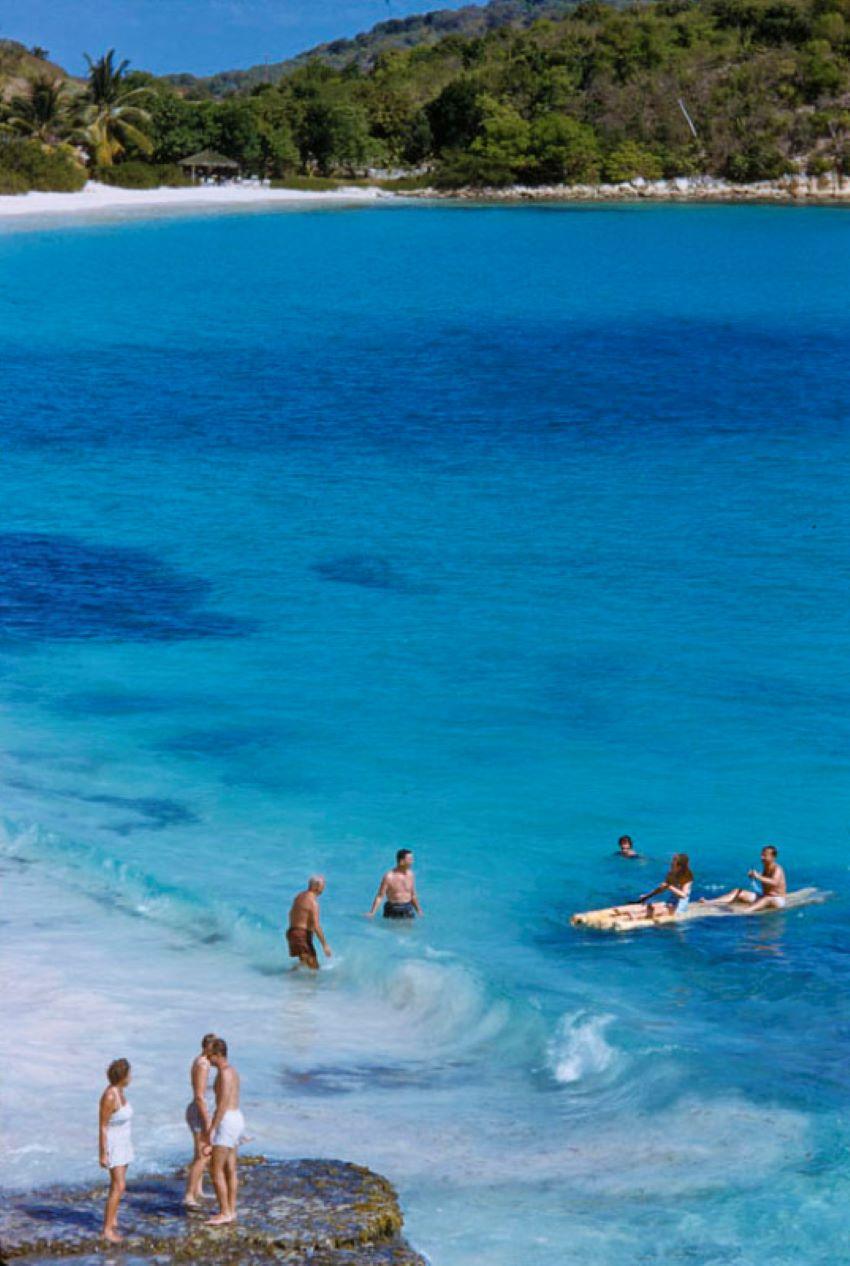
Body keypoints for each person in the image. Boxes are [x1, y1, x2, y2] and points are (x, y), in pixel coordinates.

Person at [202, 1037, 244, 1226]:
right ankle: (231, 1209)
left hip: (227, 1120)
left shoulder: (225, 1074)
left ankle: (225, 1211)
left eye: (210, 1055)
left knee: (215, 1168)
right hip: (237, 1117)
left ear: (218, 1055)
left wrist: (211, 1129)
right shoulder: (233, 1071)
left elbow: (222, 1104)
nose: (207, 1060)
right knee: (230, 1168)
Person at [99, 1058, 134, 1243]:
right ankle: (106, 1230)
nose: (131, 1077)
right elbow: (103, 1126)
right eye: (129, 1074)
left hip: (124, 1142)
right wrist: (103, 1153)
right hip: (114, 1144)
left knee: (119, 1185)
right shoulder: (110, 1096)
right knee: (118, 1186)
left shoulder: (120, 1091)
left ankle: (113, 1219)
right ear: (123, 1076)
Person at [700, 846, 787, 912]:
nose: (762, 857)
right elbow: (764, 879)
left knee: (768, 898)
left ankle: (746, 911)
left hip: (777, 900)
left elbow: (774, 882)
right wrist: (754, 875)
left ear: (773, 857)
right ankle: (712, 902)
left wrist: (758, 876)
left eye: (765, 855)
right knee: (738, 891)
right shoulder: (766, 867)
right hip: (764, 896)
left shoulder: (777, 869)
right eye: (762, 854)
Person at [184, 1033, 217, 1206]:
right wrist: (207, 1122)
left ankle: (198, 1190)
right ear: (206, 1047)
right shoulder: (203, 1064)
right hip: (199, 1113)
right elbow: (199, 1096)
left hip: (204, 1111)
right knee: (204, 1155)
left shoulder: (204, 1062)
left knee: (200, 1153)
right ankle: (189, 1195)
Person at [617, 854, 694, 921]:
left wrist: (669, 886)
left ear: (680, 866)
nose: (671, 864)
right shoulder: (671, 874)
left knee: (658, 910)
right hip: (671, 901)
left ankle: (636, 917)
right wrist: (647, 896)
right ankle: (634, 913)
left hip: (680, 905)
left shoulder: (687, 877)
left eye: (673, 863)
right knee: (653, 906)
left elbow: (683, 895)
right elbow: (661, 889)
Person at [286, 876, 332, 970]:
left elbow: (290, 913)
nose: (323, 889)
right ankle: (290, 979)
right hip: (301, 936)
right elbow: (316, 926)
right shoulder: (313, 902)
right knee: (314, 968)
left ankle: (287, 979)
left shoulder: (299, 896)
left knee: (304, 963)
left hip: (292, 932)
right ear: (316, 886)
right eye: (323, 886)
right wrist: (325, 945)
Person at [367, 848, 423, 920]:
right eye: (410, 859)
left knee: (408, 930)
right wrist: (372, 913)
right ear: (402, 861)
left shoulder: (411, 875)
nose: (412, 861)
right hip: (392, 908)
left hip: (407, 908)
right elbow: (380, 896)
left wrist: (419, 910)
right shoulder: (389, 876)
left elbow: (413, 895)